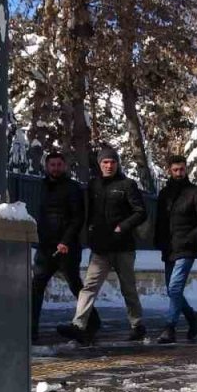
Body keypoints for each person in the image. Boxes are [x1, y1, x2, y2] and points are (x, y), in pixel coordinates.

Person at [57, 146, 146, 345]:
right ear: (99, 164)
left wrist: (122, 227)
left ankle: (137, 325)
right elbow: (87, 214)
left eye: (112, 162)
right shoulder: (93, 186)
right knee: (89, 287)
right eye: (105, 162)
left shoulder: (127, 185)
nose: (109, 166)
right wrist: (88, 234)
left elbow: (141, 212)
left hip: (123, 247)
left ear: (117, 164)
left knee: (128, 288)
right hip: (100, 249)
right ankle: (78, 325)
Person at [31, 151, 98, 342]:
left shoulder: (73, 188)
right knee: (36, 287)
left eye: (59, 164)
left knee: (75, 284)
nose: (55, 168)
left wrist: (66, 241)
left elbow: (78, 217)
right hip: (45, 247)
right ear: (47, 167)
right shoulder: (42, 186)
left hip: (66, 247)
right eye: (52, 165)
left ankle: (93, 321)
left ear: (65, 166)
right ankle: (31, 330)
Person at [153, 155, 197, 344]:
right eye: (175, 170)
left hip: (186, 248)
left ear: (186, 169)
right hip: (169, 248)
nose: (179, 173)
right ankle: (192, 317)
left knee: (175, 287)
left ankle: (170, 327)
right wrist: (158, 240)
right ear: (169, 170)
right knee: (172, 291)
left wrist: (190, 239)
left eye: (182, 169)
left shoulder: (196, 192)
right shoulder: (164, 194)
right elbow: (160, 221)